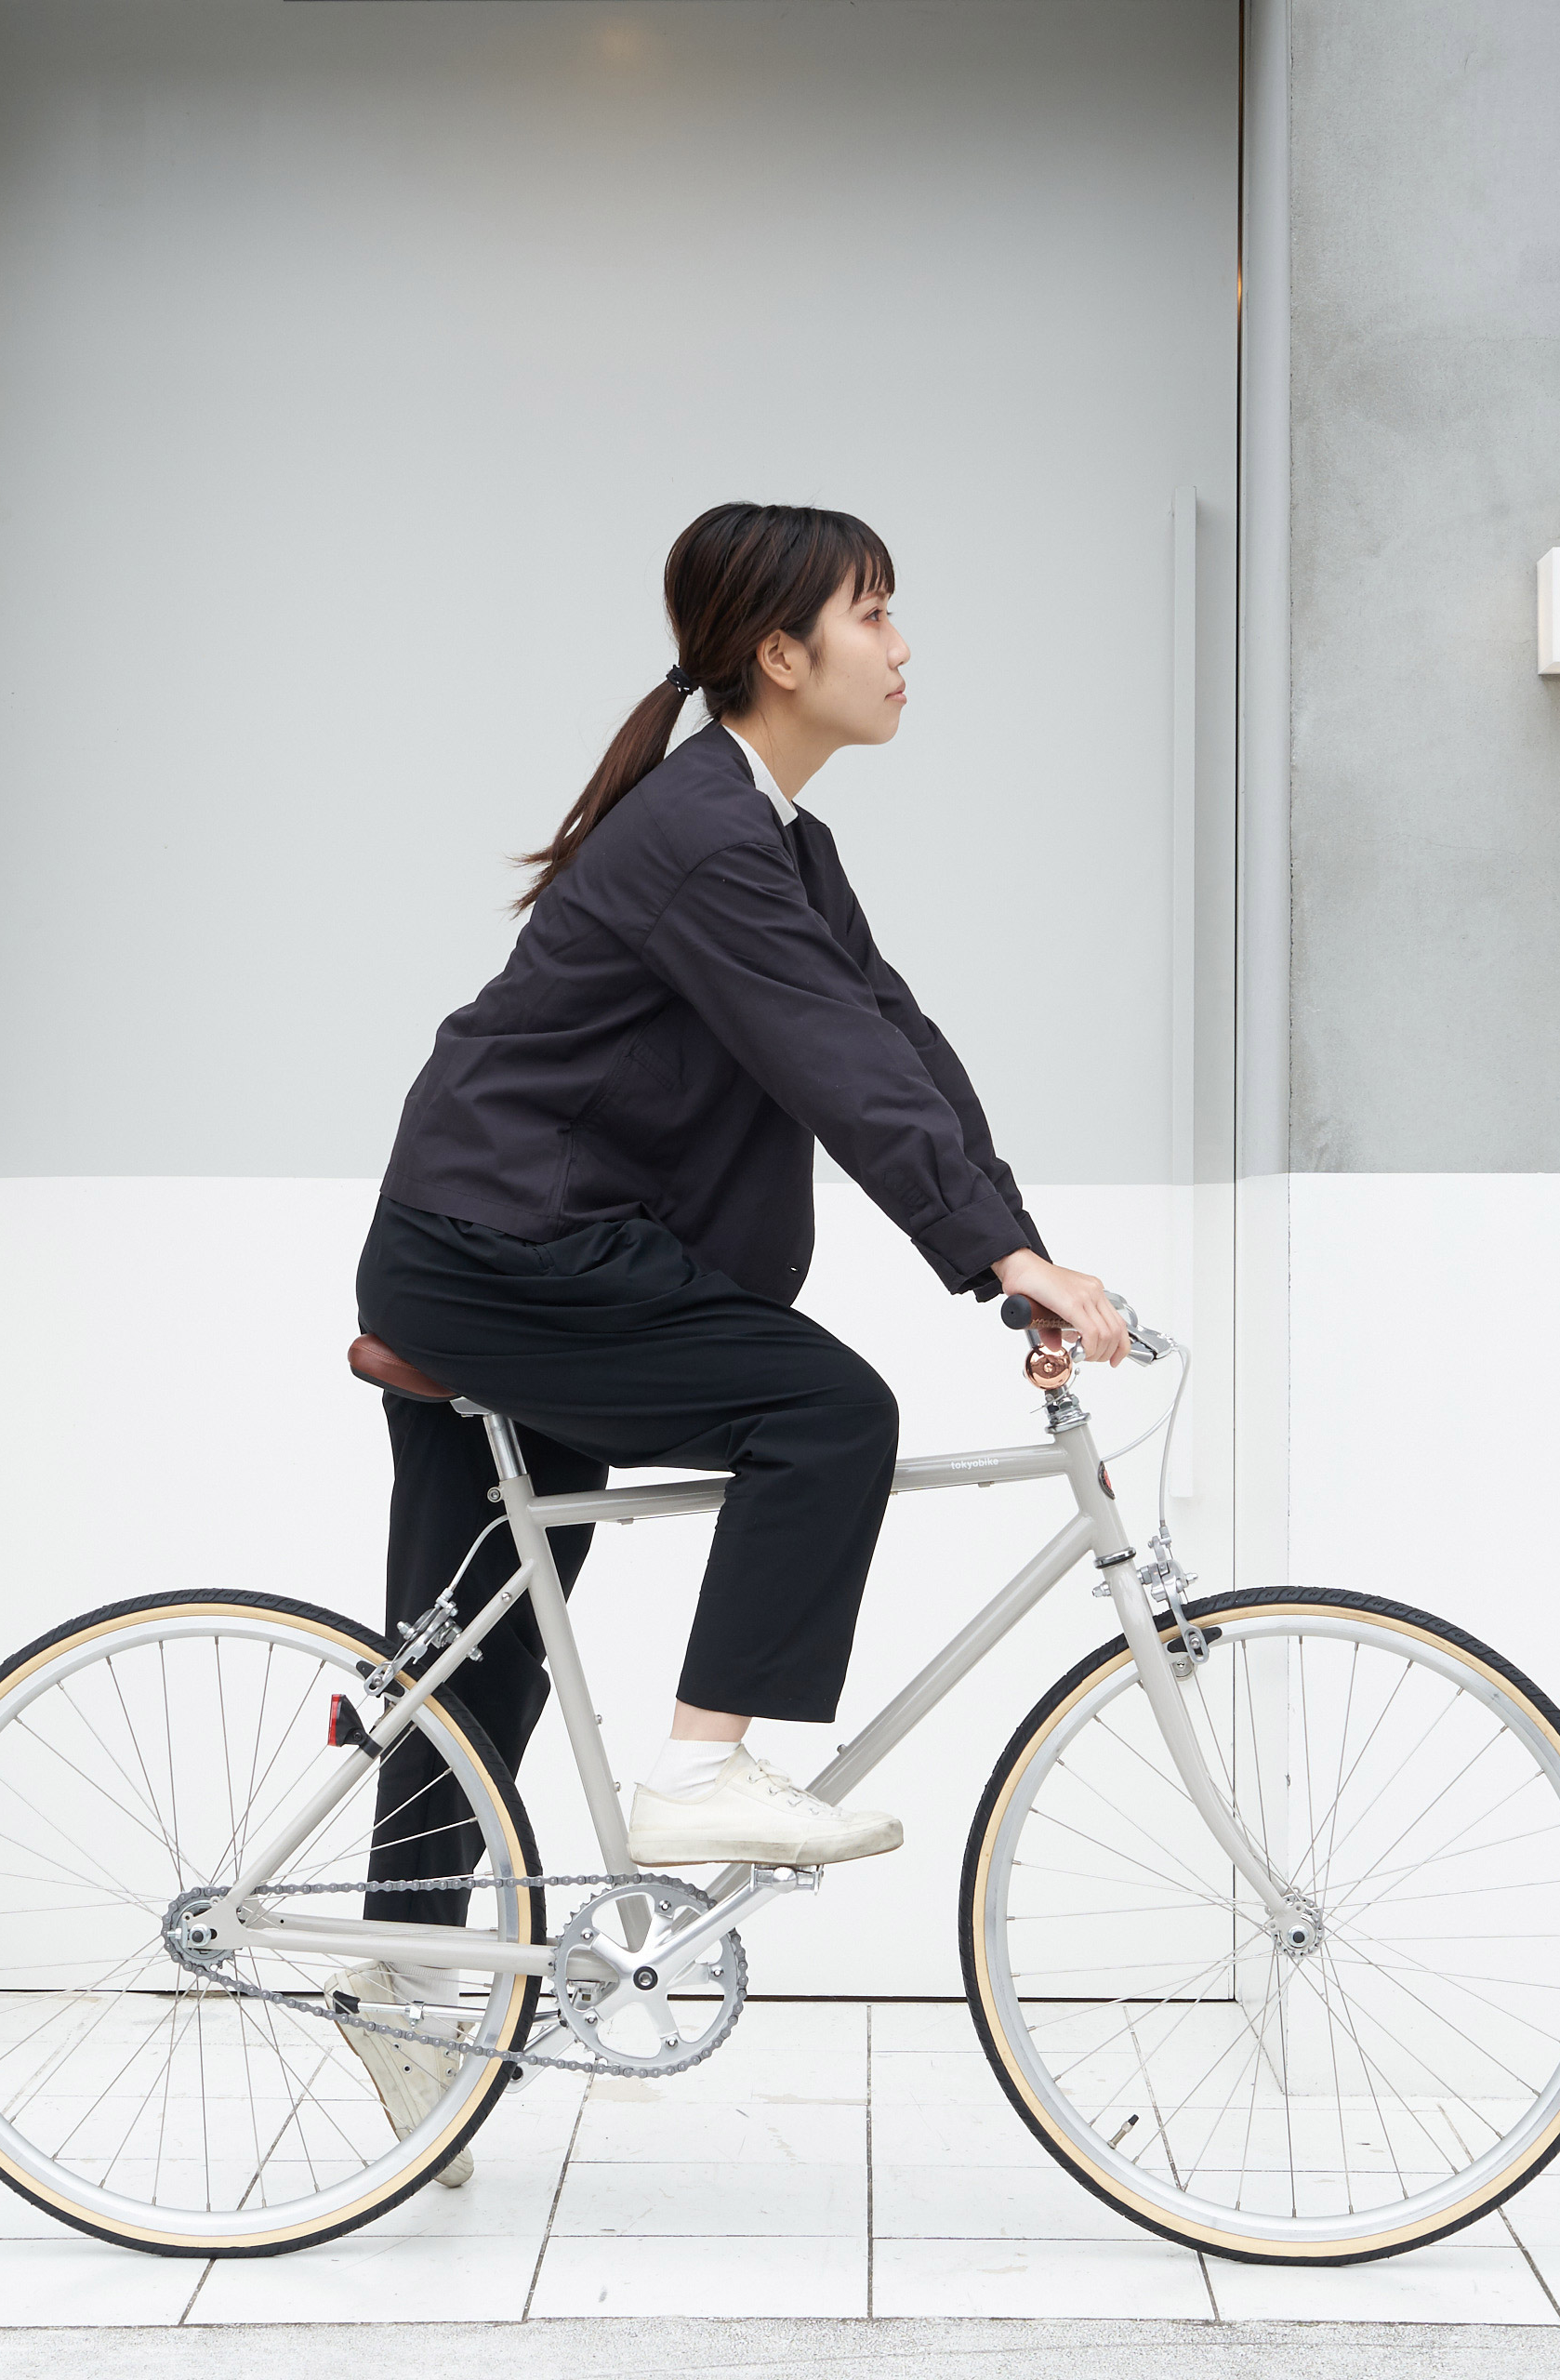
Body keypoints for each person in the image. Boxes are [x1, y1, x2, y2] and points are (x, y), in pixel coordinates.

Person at [335, 502, 1129, 2174]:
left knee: (481, 1638)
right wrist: (992, 1253)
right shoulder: (708, 835)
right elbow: (833, 1068)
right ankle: (708, 1770)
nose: (906, 649)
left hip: (507, 1242)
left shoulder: (775, 836)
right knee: (825, 1414)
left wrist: (1016, 1251)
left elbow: (893, 1038)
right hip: (500, 1248)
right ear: (785, 654)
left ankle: (406, 1985)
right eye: (879, 615)